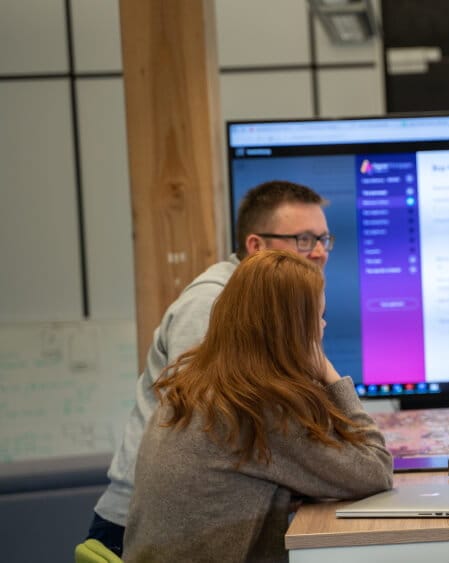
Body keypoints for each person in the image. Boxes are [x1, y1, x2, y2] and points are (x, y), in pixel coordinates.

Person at [87, 180, 336, 556]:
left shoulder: (266, 300)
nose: (318, 252)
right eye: (303, 239)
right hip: (147, 528)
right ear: (256, 246)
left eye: (323, 239)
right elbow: (206, 421)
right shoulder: (212, 304)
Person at [123, 249, 393, 561]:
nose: (323, 326)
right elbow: (375, 470)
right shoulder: (256, 409)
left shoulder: (194, 385)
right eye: (316, 317)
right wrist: (330, 375)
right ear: (292, 331)